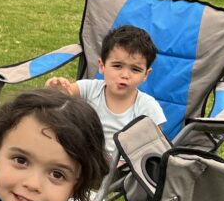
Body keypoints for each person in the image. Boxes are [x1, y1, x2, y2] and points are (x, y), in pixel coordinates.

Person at [46, 25, 166, 159]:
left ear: (146, 75)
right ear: (102, 66)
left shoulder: (148, 107)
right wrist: (57, 88)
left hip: (123, 167)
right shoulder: (90, 88)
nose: (125, 75)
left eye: (135, 69)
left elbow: (154, 149)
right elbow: (63, 94)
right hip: (84, 158)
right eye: (117, 66)